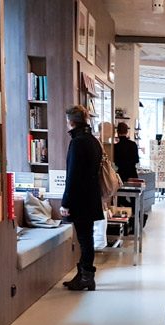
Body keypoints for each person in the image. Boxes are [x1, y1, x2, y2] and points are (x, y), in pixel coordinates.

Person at [60, 105, 103, 291]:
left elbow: (73, 175)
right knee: (87, 238)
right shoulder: (93, 140)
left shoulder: (78, 142)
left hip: (80, 199)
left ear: (71, 121)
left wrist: (65, 202)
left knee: (85, 239)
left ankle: (86, 277)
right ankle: (85, 275)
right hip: (91, 197)